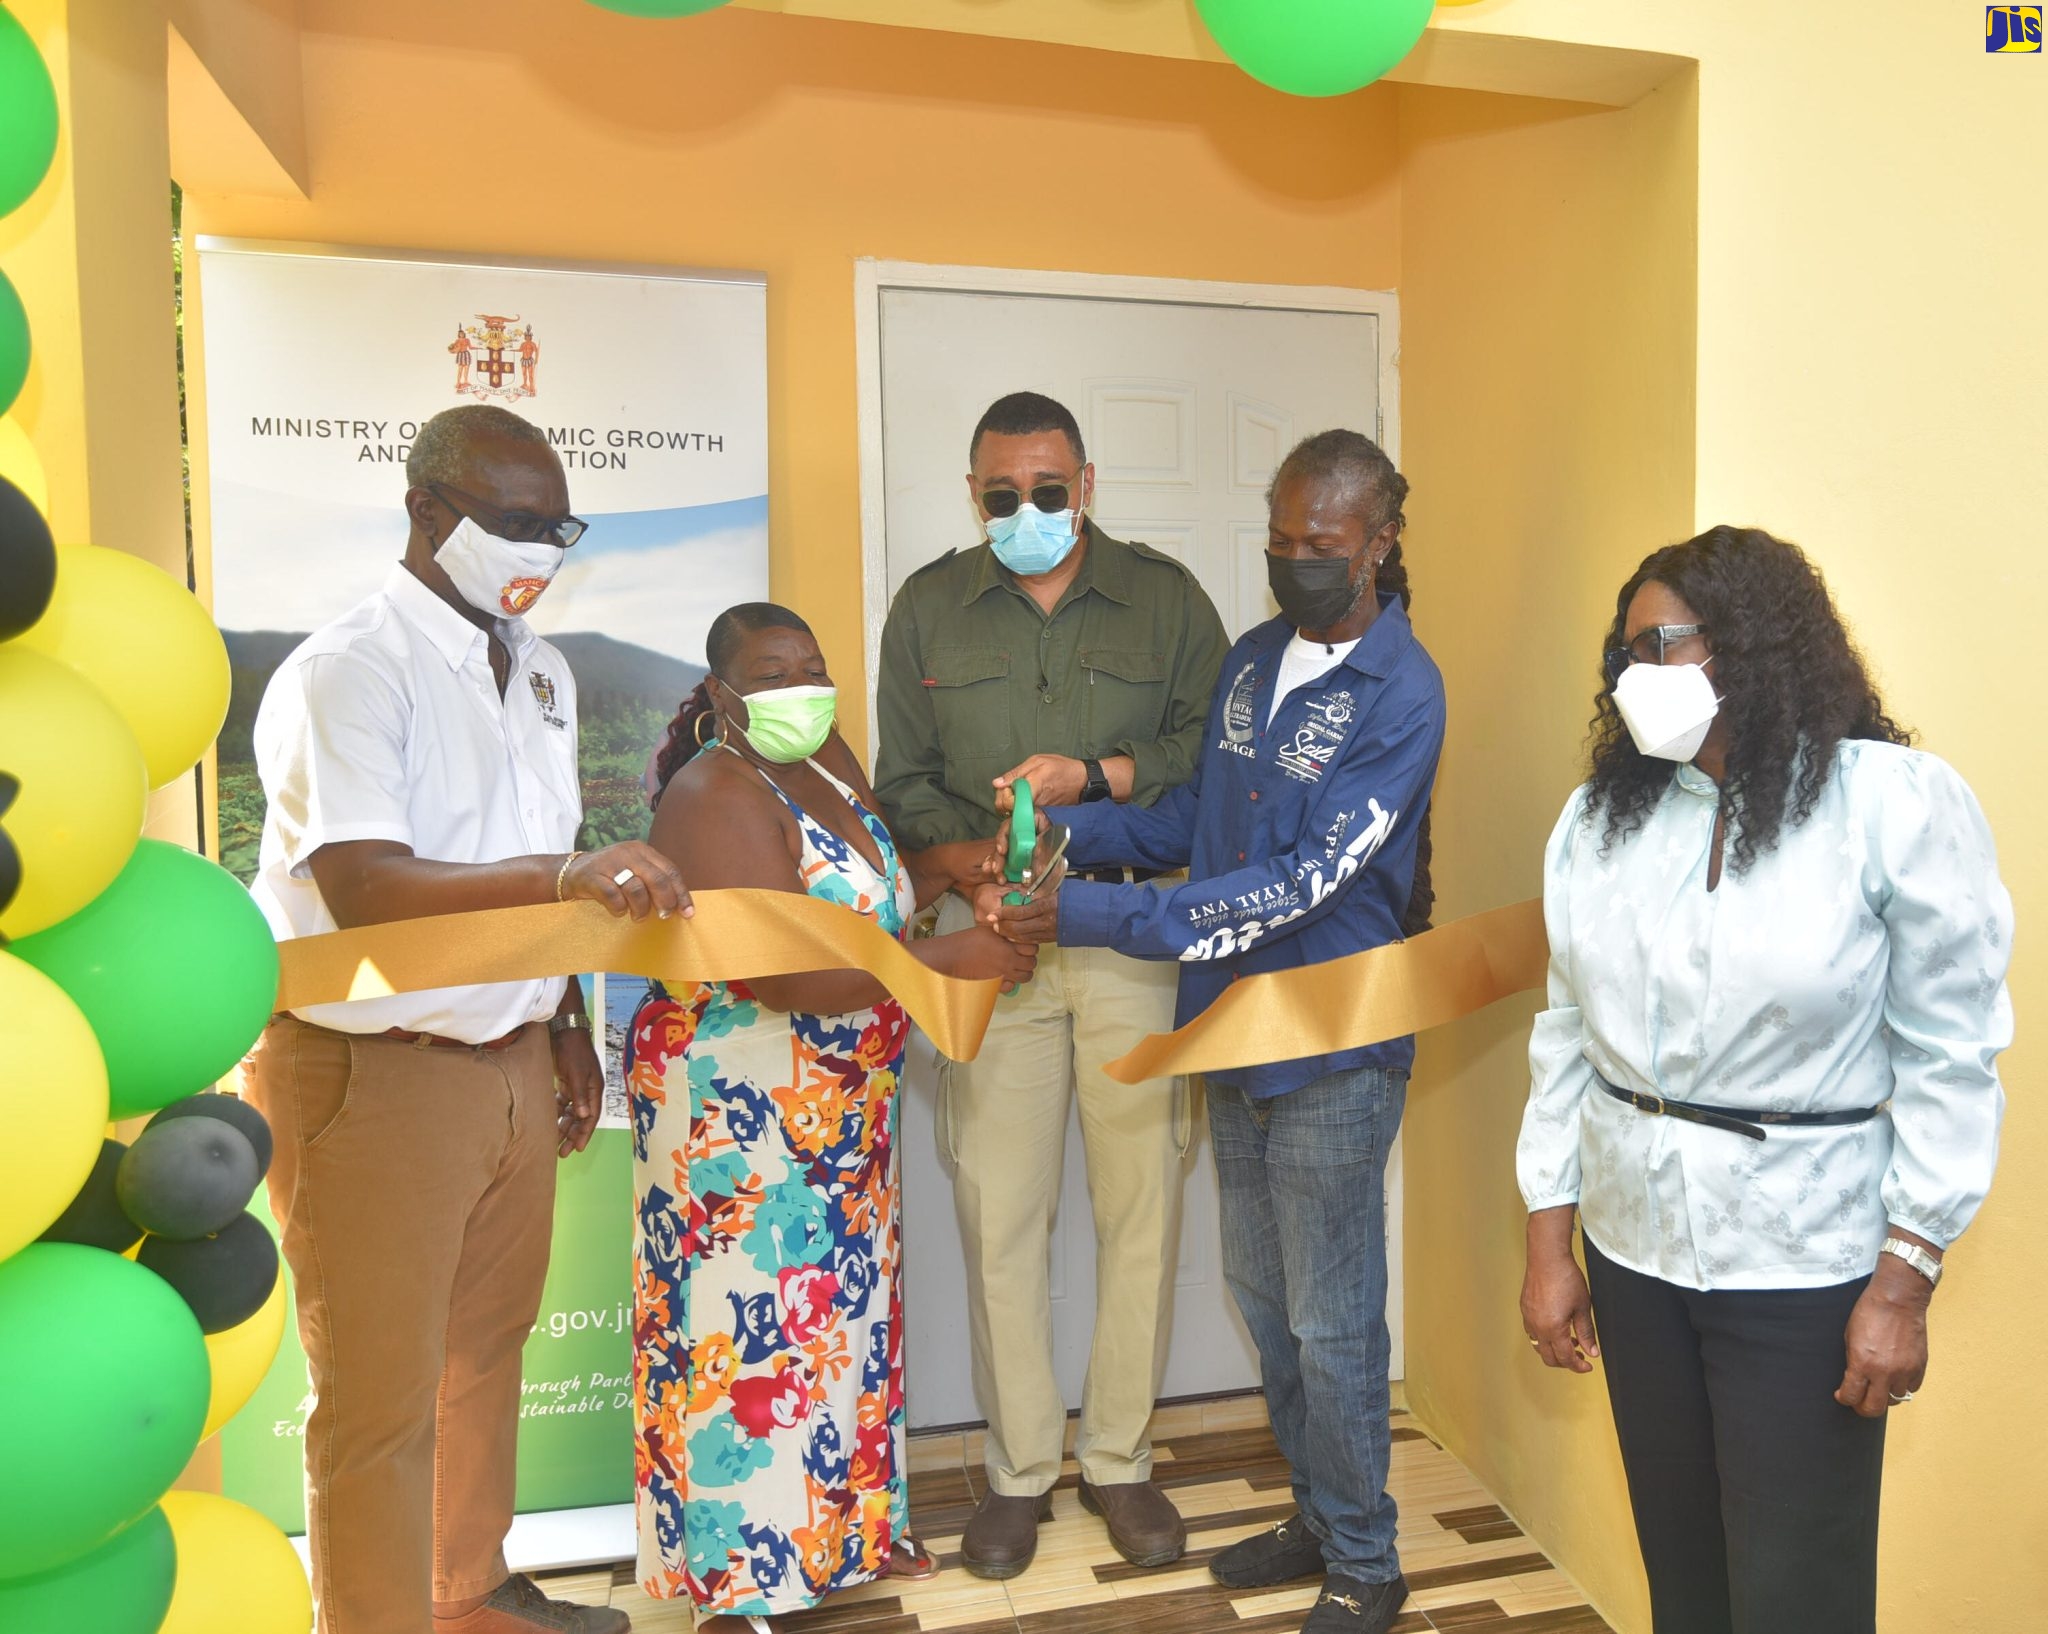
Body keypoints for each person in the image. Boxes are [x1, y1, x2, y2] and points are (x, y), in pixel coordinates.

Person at [1516, 526, 2012, 1634]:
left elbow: (1950, 1051)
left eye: (1663, 644)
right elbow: (1562, 1035)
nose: (1633, 673)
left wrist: (1902, 1279)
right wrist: (1550, 1240)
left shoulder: (1889, 803)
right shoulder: (1600, 821)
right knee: (1683, 1571)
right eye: (1623, 651)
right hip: (1634, 1249)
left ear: (1750, 643)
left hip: (1803, 1264)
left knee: (1797, 1589)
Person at [989, 430, 1444, 1634]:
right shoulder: (1251, 664)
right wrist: (1069, 828)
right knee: (1264, 1294)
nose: (1294, 560)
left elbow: (1301, 879)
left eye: (1322, 544)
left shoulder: (1401, 691)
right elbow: (1196, 817)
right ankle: (1315, 1510)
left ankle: (1366, 1556)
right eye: (1279, 538)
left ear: (1379, 544)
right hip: (1229, 1032)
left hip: (1330, 1040)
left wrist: (1084, 913)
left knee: (1332, 1317)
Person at [244, 404, 688, 1634]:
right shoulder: (348, 670)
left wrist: (563, 1024)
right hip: (369, 1068)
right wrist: (559, 886)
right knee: (377, 1398)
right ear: (428, 511)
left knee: (487, 1348)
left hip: (504, 1057)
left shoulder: (539, 667)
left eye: (557, 525)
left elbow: (535, 849)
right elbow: (367, 887)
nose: (538, 548)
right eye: (512, 522)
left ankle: (467, 1590)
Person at [874, 391, 1230, 1577]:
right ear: (969, 489)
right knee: (1000, 1216)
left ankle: (1120, 1461)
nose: (1021, 510)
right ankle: (1019, 1467)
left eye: (1044, 488)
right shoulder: (927, 606)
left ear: (1085, 481)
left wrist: (1100, 772)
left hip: (1131, 935)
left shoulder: (1167, 599)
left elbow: (1212, 751)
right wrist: (966, 864)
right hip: (995, 946)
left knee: (1141, 1211)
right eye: (997, 493)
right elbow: (901, 785)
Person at [630, 604, 1034, 1630]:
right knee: (748, 1338)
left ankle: (831, 1539)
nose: (800, 687)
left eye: (811, 665)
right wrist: (950, 961)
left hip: (835, 1103)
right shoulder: (711, 791)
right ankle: (740, 1581)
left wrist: (949, 866)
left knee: (832, 1324)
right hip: (741, 1116)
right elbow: (788, 972)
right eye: (770, 674)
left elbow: (869, 872)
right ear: (722, 697)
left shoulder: (824, 756)